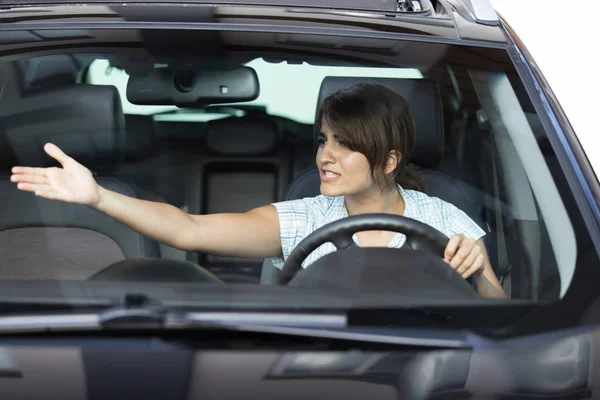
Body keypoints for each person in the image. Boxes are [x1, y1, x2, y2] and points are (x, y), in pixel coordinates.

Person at [10, 83, 506, 299]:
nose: (325, 156)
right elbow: (188, 230)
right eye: (324, 141)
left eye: (346, 145)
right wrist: (97, 196)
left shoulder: (443, 218)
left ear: (390, 160)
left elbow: (499, 314)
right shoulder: (305, 218)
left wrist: (480, 266)